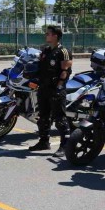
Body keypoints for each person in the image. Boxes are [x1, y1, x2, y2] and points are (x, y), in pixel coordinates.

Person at [29, 25, 72, 156]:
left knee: (60, 119)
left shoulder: (63, 51)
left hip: (56, 90)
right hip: (43, 88)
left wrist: (58, 87)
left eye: (48, 33)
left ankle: (65, 146)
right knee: (43, 118)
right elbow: (40, 68)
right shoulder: (46, 50)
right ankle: (44, 142)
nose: (46, 35)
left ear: (55, 36)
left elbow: (65, 72)